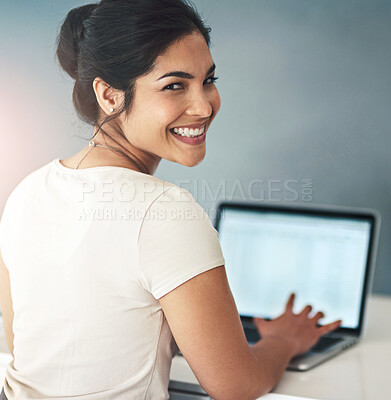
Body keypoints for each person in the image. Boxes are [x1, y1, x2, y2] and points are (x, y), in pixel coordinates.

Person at [0, 1, 342, 399]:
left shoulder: (28, 190)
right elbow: (237, 387)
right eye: (174, 85)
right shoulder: (166, 212)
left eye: (208, 80)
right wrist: (284, 339)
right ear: (109, 96)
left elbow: (24, 341)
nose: (204, 106)